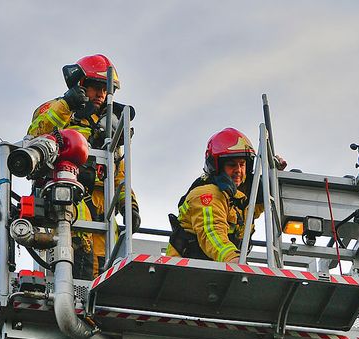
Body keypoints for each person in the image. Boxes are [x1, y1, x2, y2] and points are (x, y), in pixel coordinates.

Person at [27, 54, 140, 280]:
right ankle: (76, 298)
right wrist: (67, 105)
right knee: (79, 250)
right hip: (68, 195)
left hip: (103, 206)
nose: (101, 94)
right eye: (95, 87)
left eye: (105, 89)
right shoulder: (57, 109)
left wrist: (129, 204)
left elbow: (119, 170)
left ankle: (92, 310)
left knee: (107, 260)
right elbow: (35, 136)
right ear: (81, 84)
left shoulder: (109, 125)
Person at [166, 128, 283, 263]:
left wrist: (276, 177)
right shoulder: (207, 194)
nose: (238, 170)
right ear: (217, 167)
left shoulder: (239, 199)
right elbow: (212, 233)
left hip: (212, 268)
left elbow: (259, 204)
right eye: (232, 165)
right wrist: (234, 260)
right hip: (184, 269)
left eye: (242, 164)